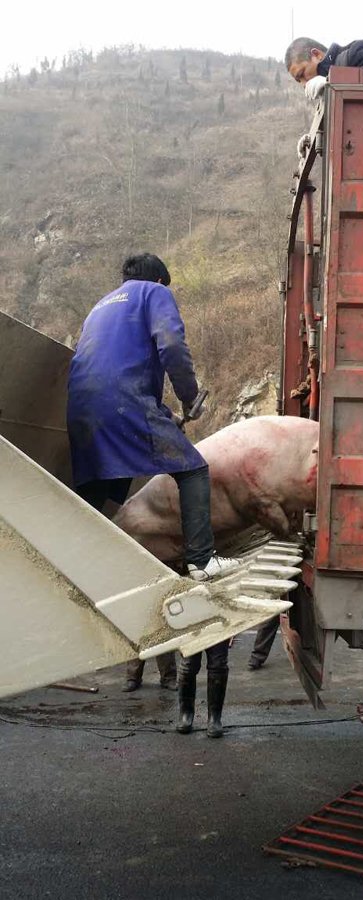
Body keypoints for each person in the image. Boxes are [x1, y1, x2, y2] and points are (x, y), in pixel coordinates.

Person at [67, 253, 240, 583]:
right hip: (122, 400)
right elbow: (172, 345)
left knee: (102, 487)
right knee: (193, 469)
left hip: (81, 408)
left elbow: (117, 368)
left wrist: (164, 415)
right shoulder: (154, 292)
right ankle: (201, 561)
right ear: (160, 279)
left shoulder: (99, 308)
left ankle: (76, 569)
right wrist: (190, 398)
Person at [285, 37, 363, 155]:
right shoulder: (325, 94)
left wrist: (331, 83)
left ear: (317, 54)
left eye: (302, 74)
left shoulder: (357, 51)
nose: (304, 85)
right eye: (298, 81)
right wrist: (312, 139)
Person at [176, 640, 230, 738]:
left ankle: (214, 717)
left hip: (219, 626)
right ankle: (186, 713)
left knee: (218, 666)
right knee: (188, 666)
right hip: (189, 627)